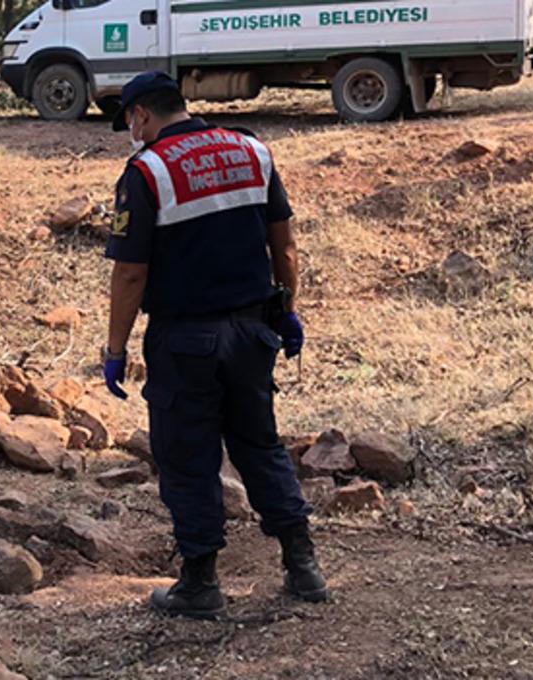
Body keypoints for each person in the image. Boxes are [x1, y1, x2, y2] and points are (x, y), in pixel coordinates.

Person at [101, 72, 327, 619]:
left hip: (186, 340)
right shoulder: (252, 151)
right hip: (253, 333)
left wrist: (115, 349)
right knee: (259, 444)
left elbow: (131, 273)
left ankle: (200, 583)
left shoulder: (147, 170)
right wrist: (288, 310)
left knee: (187, 456)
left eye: (129, 121)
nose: (131, 130)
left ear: (141, 115)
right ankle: (303, 566)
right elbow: (285, 246)